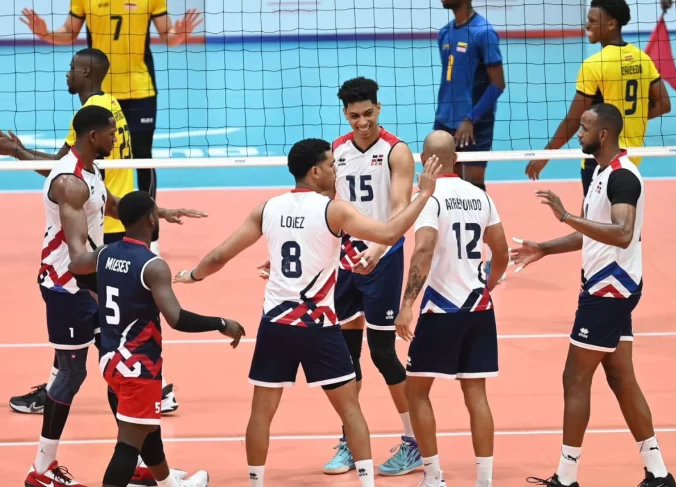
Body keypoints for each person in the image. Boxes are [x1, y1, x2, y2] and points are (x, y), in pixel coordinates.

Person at [173, 138, 442, 487]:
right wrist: (425, 194)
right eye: (332, 165)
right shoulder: (335, 211)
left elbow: (219, 257)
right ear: (315, 172)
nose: (336, 169)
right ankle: (367, 483)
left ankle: (256, 483)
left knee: (261, 413)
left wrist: (193, 275)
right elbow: (390, 233)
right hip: (318, 326)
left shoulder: (266, 208)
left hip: (276, 325)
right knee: (350, 409)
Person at [5, 105, 205, 487]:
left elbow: (111, 205)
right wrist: (126, 261)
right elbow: (80, 260)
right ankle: (42, 469)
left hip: (90, 286)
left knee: (120, 370)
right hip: (67, 287)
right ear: (93, 136)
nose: (117, 138)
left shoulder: (89, 169)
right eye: (112, 132)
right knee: (71, 373)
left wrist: (158, 212)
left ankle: (134, 461)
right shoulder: (71, 182)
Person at [0, 48, 180, 419]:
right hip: (107, 213)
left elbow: (63, 173)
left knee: (97, 317)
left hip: (99, 231)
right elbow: (71, 168)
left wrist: (16, 152)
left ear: (88, 72)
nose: (67, 73)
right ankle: (154, 387)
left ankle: (75, 391)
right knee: (104, 323)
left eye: (73, 67)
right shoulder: (109, 106)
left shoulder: (89, 116)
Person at [512, 104, 675, 487]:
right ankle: (658, 473)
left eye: (584, 129)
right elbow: (596, 231)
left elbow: (620, 232)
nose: (578, 134)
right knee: (620, 377)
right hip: (608, 284)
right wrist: (545, 248)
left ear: (603, 134)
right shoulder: (601, 173)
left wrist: (566, 215)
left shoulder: (623, 178)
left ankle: (567, 478)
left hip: (609, 288)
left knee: (574, 377)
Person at [68, 190, 245, 487]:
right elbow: (177, 318)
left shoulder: (105, 254)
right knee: (127, 445)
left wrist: (95, 286)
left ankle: (169, 485)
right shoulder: (153, 265)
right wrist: (222, 323)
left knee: (147, 430)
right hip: (138, 367)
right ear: (151, 219)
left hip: (111, 361)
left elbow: (76, 268)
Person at [19, 0, 203, 255]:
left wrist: (179, 35)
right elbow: (69, 32)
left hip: (139, 89)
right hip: (102, 90)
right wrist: (45, 33)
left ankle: (152, 232)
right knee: (94, 158)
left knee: (142, 158)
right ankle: (103, 221)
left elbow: (169, 37)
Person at [394, 130, 508, 487]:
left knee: (417, 391)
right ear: (455, 160)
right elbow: (501, 253)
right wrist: (486, 286)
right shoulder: (479, 196)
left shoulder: (428, 197)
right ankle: (484, 481)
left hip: (440, 310)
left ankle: (433, 477)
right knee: (476, 394)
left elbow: (423, 250)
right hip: (479, 308)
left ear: (424, 162)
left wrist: (407, 304)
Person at [326, 76, 422, 476]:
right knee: (346, 357)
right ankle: (351, 439)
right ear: (345, 114)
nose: (362, 122)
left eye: (368, 114)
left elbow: (400, 212)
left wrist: (377, 250)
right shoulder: (336, 149)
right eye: (354, 116)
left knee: (383, 353)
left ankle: (413, 440)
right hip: (345, 261)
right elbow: (328, 207)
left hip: (382, 260)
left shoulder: (397, 152)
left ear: (378, 109)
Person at [524, 0, 671, 198]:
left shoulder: (594, 65)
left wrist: (546, 154)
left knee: (597, 225)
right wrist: (630, 118)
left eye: (593, 21)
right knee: (623, 222)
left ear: (611, 24)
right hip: (632, 158)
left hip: (602, 157)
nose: (587, 25)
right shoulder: (642, 58)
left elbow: (574, 119)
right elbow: (663, 104)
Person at [434, 0, 505, 190]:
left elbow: (498, 84)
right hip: (444, 121)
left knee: (474, 186)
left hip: (475, 122)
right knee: (446, 184)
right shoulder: (444, 33)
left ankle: (480, 221)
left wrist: (471, 118)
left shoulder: (483, 32)